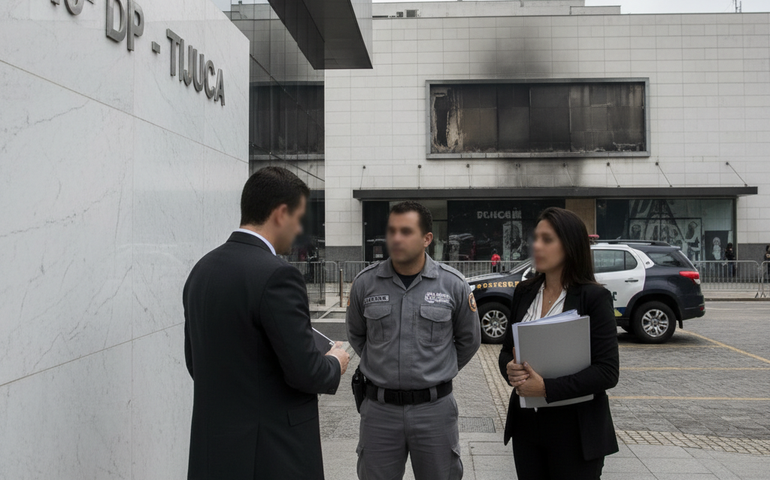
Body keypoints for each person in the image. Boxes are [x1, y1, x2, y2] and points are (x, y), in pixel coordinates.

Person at [183, 167, 350, 480]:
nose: (299, 229)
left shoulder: (201, 271)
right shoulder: (278, 276)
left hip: (214, 453)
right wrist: (333, 363)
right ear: (281, 213)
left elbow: (196, 363)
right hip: (271, 456)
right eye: (299, 218)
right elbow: (307, 372)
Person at [347, 201, 481, 480]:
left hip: (435, 412)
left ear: (426, 239)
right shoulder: (365, 283)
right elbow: (357, 335)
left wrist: (436, 368)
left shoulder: (453, 284)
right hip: (379, 413)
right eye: (392, 231)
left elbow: (469, 340)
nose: (396, 238)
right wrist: (382, 365)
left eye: (406, 231)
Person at [498, 207, 620, 480]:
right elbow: (507, 350)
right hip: (528, 427)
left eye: (547, 239)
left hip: (575, 429)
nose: (536, 246)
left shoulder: (594, 298)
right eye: (536, 238)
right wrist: (510, 369)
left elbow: (607, 371)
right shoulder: (524, 291)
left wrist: (546, 388)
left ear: (569, 246)